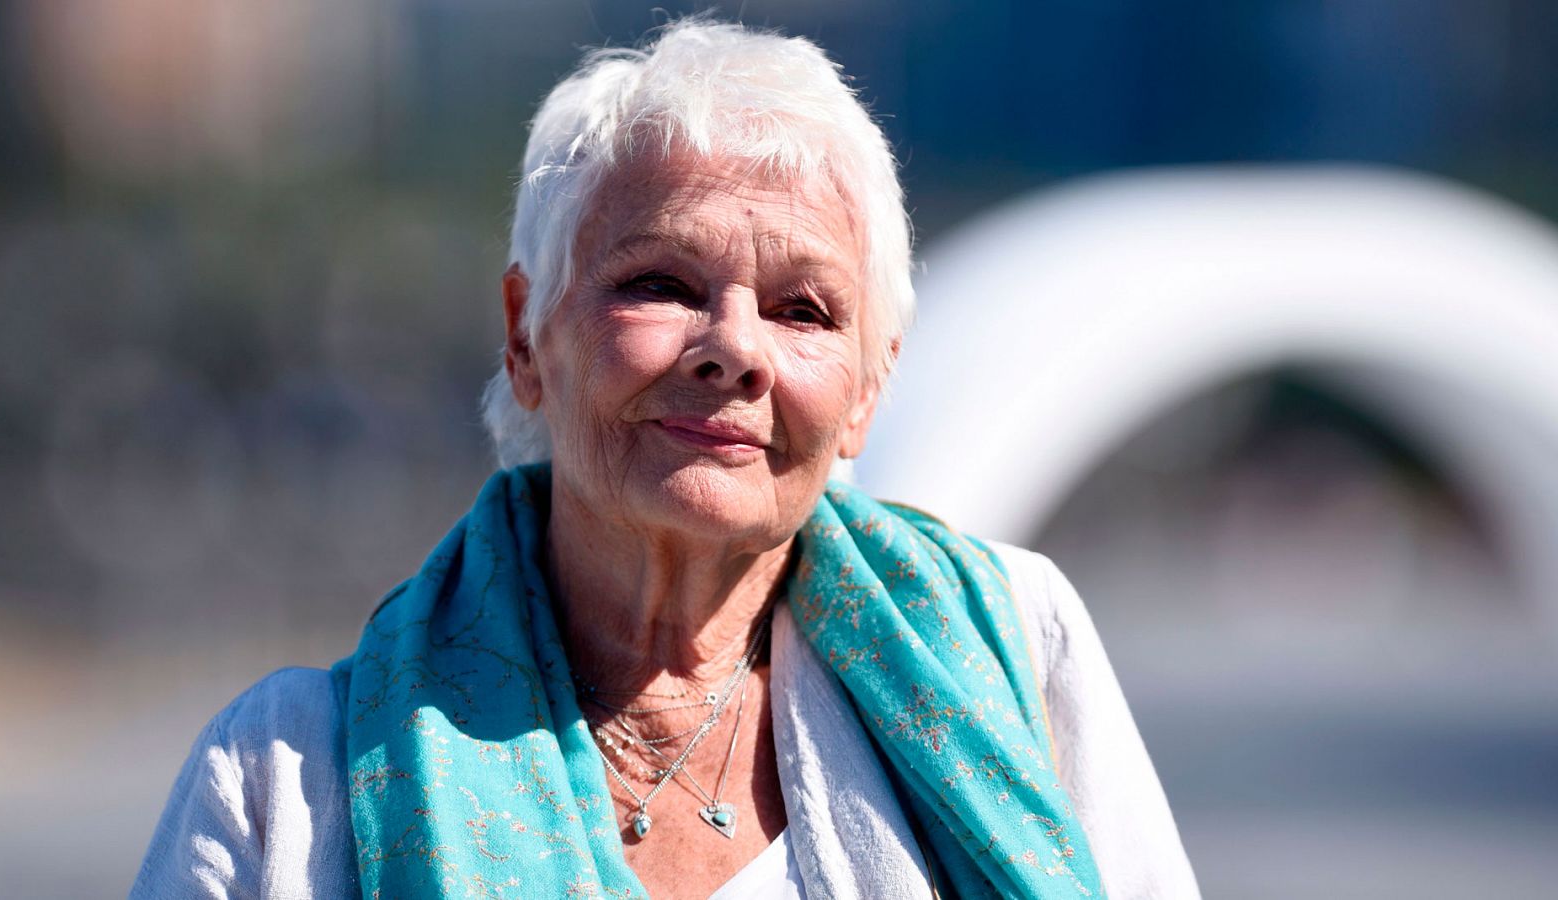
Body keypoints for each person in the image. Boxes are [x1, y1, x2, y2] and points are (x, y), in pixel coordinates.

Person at [132, 19, 1198, 900]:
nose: (735, 351)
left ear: (870, 388)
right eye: (661, 285)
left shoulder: (1014, 649)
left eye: (803, 310)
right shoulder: (289, 779)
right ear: (524, 333)